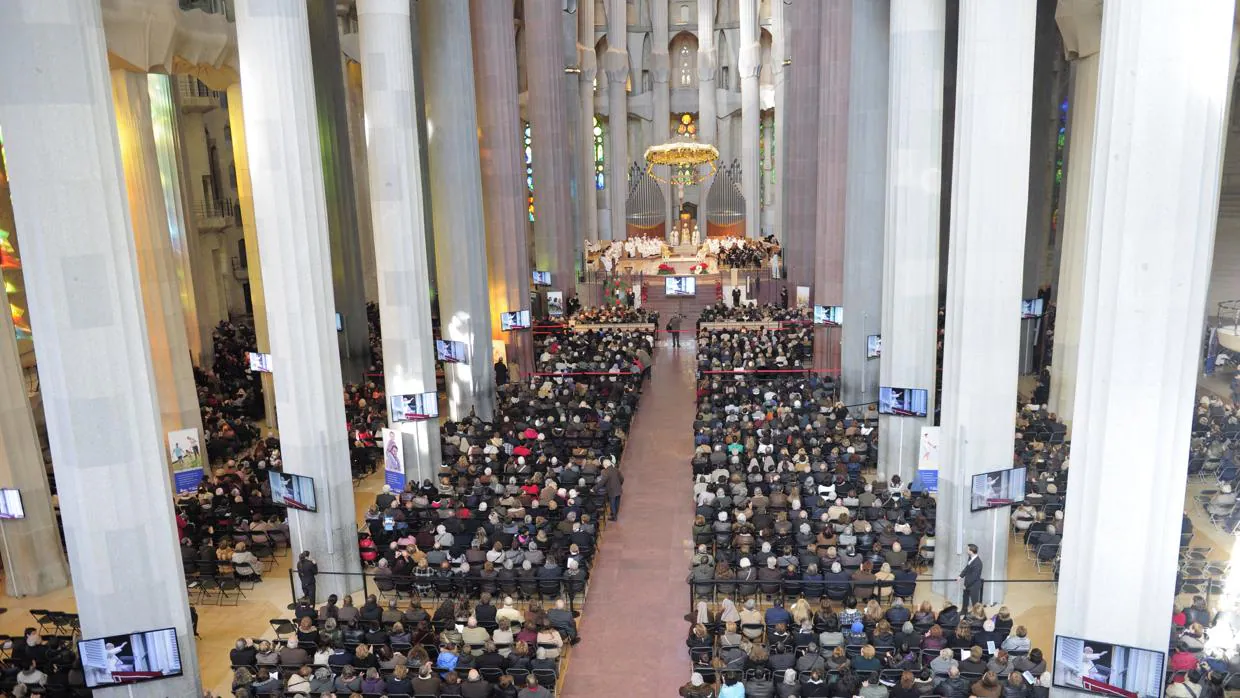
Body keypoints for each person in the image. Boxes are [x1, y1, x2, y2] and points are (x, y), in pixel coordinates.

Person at [957, 544, 983, 608]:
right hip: (968, 583)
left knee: (975, 603)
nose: (966, 550)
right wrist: (960, 576)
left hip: (974, 585)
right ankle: (964, 611)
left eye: (967, 549)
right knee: (965, 599)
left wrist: (966, 585)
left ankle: (976, 615)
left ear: (971, 551)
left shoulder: (978, 563)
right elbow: (967, 568)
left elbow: (974, 577)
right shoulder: (970, 558)